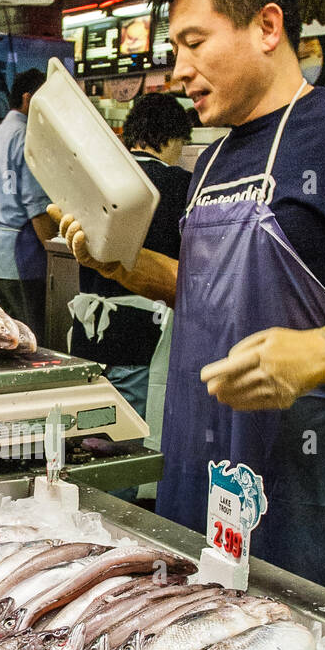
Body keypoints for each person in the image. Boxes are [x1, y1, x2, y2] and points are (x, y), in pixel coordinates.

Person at [51, 0, 325, 600]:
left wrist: (324, 348)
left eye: (195, 42)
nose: (178, 70)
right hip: (195, 466)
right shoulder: (211, 160)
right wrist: (123, 264)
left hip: (300, 480)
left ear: (267, 26)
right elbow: (211, 295)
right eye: (176, 48)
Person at [69, 91, 192, 426]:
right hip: (141, 340)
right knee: (131, 444)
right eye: (181, 144)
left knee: (91, 437)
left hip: (87, 335)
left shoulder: (99, 178)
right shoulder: (179, 183)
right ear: (169, 139)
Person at [0, 68, 57, 343]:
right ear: (28, 99)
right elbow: (37, 208)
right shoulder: (28, 138)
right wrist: (56, 255)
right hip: (18, 260)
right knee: (26, 343)